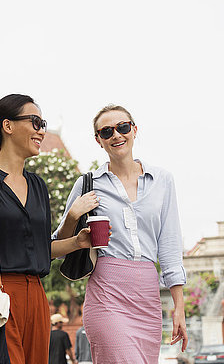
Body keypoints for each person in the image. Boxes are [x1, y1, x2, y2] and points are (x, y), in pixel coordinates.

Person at [0, 94, 97, 364]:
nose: (41, 130)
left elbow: (39, 248)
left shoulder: (38, 186)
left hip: (36, 298)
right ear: (8, 126)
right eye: (35, 121)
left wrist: (77, 243)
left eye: (43, 123)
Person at [54, 104, 188, 364]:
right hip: (107, 293)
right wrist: (73, 214)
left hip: (147, 298)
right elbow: (59, 243)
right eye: (106, 131)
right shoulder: (88, 184)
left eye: (123, 127)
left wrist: (178, 308)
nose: (116, 135)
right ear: (98, 140)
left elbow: (170, 246)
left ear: (134, 130)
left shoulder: (163, 181)